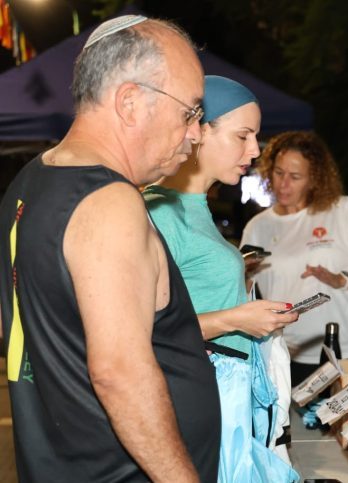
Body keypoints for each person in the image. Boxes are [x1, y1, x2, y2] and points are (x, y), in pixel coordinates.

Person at [0, 16, 221, 482]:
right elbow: (120, 374)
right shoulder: (110, 202)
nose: (197, 133)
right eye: (191, 112)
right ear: (130, 102)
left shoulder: (30, 182)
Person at [144, 76, 299, 481]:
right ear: (198, 132)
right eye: (243, 136)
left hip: (219, 394)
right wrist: (236, 319)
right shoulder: (157, 212)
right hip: (197, 397)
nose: (254, 150)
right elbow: (142, 332)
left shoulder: (192, 205)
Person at [241, 131, 348, 387]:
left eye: (295, 176)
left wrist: (340, 279)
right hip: (290, 353)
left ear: (314, 180)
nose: (283, 184)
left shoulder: (339, 209)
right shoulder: (258, 226)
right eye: (278, 172)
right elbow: (247, 291)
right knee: (299, 427)